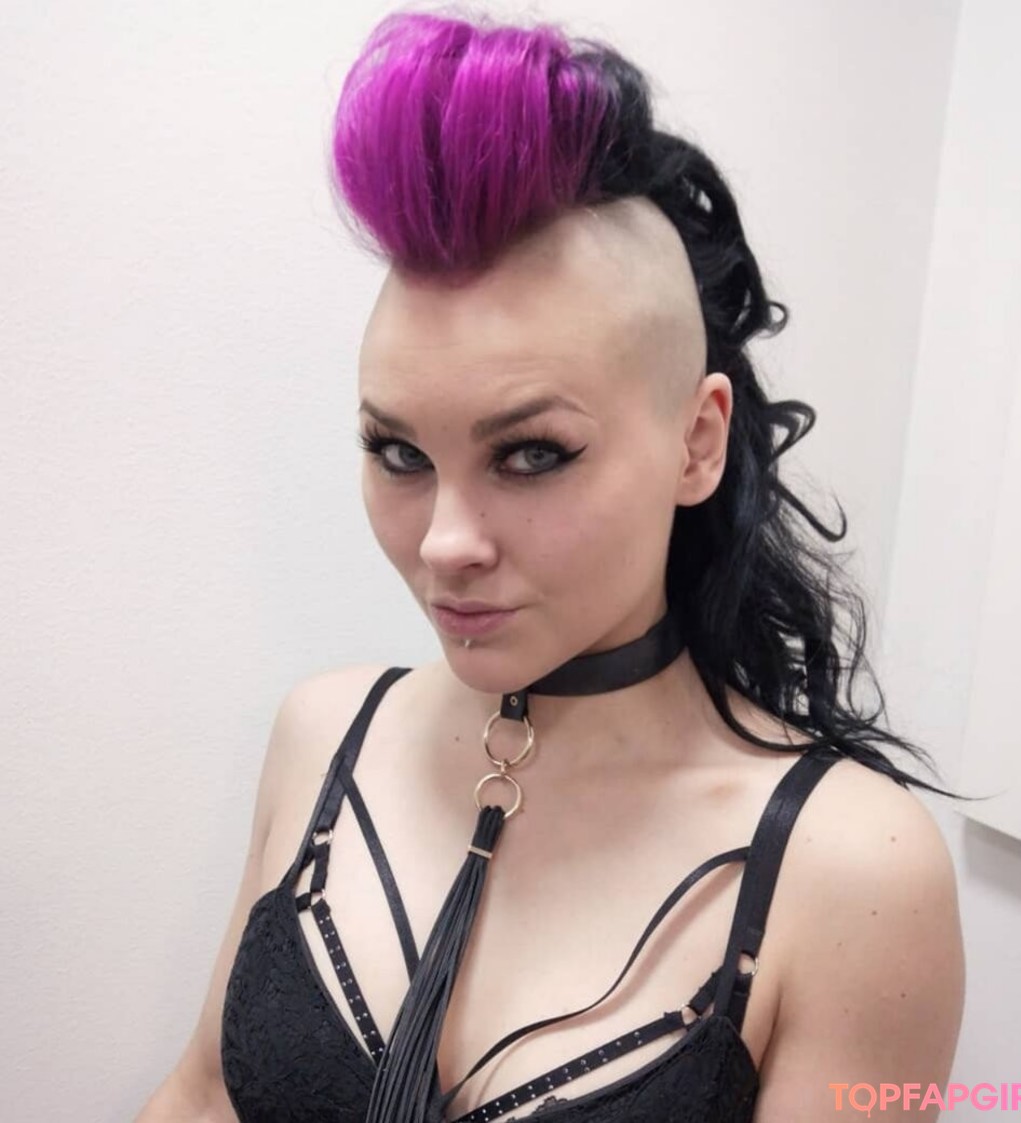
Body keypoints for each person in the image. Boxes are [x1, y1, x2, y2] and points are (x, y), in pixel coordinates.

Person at [135, 9, 965, 1123]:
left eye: (531, 454)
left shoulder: (853, 872)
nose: (445, 542)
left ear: (697, 441)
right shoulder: (325, 735)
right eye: (399, 453)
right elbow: (200, 1097)